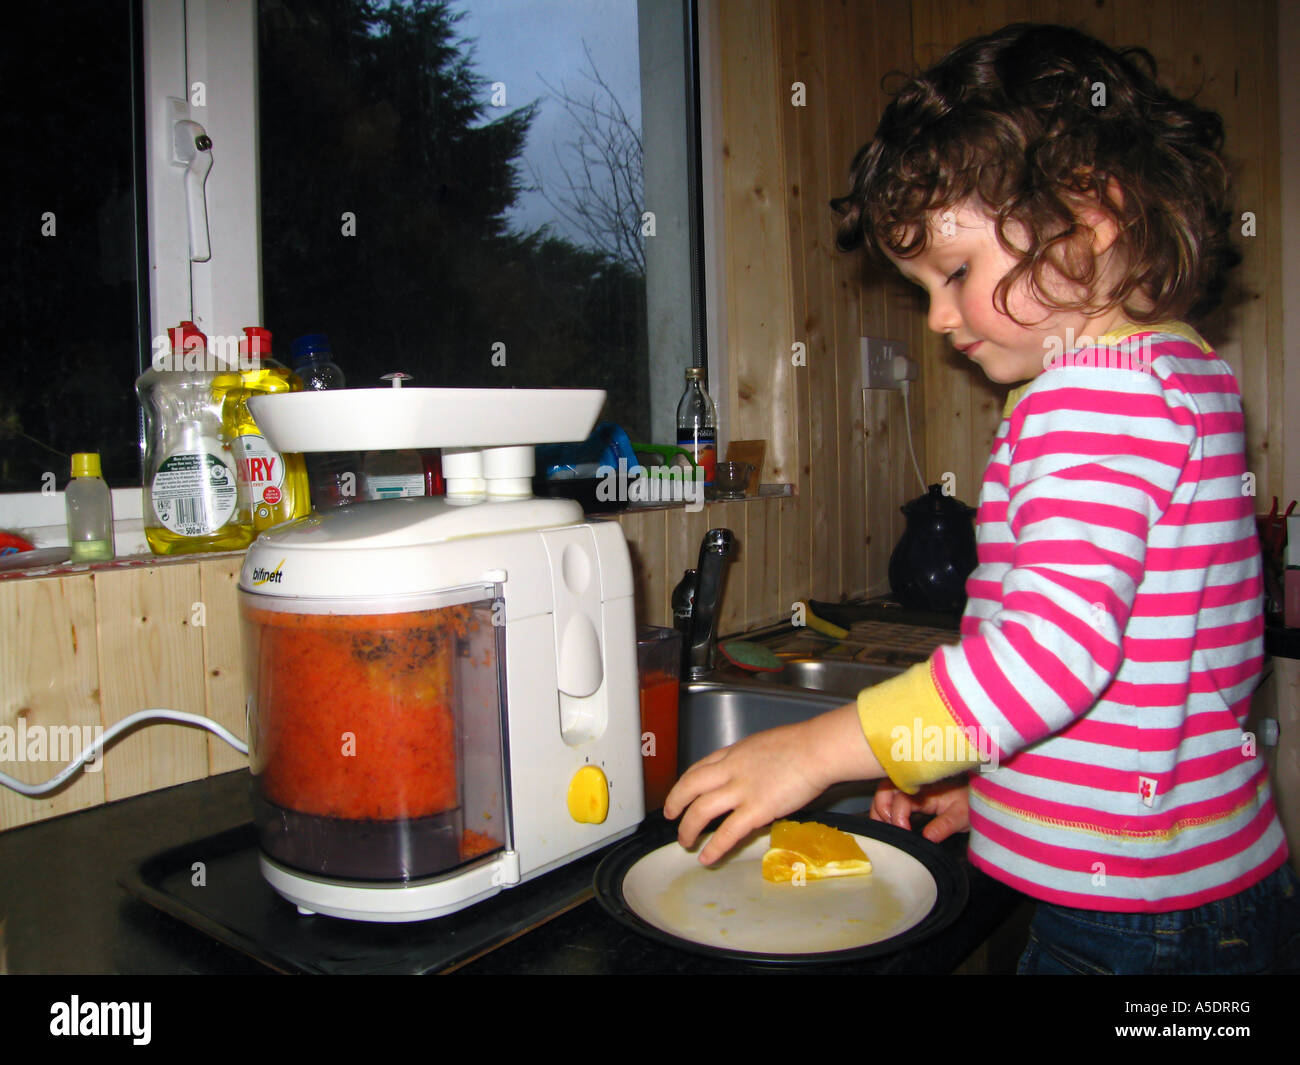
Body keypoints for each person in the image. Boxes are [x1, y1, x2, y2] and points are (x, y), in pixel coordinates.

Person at [664, 21, 1300, 975]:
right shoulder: (1181, 371)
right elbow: (1144, 682)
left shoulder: (1091, 397)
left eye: (955, 271)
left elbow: (1046, 656)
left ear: (1093, 216)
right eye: (924, 287)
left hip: (1134, 925)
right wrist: (1000, 791)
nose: (939, 318)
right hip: (1191, 889)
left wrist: (814, 752)